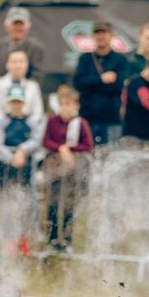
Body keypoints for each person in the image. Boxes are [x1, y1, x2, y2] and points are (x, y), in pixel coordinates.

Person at [0, 84, 43, 250]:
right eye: (13, 102)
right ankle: (7, 240)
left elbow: (36, 140)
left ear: (23, 102)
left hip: (25, 171)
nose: (16, 105)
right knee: (5, 205)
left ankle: (24, 238)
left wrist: (22, 150)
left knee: (27, 204)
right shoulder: (1, 122)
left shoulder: (31, 122)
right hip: (4, 171)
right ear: (9, 103)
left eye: (19, 102)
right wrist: (11, 158)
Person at [41, 85, 93, 250]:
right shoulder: (52, 121)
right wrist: (61, 148)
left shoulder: (81, 123)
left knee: (69, 203)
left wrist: (70, 150)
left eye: (69, 104)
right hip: (54, 167)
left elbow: (87, 145)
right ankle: (52, 239)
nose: (65, 108)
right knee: (53, 202)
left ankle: (67, 239)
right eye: (62, 104)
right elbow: (46, 141)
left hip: (73, 167)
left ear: (76, 106)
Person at [72, 19, 126, 148]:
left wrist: (92, 84)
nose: (101, 36)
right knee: (87, 153)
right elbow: (78, 83)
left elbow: (118, 86)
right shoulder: (84, 59)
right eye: (97, 33)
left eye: (104, 32)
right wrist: (101, 79)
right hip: (88, 116)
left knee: (111, 156)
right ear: (92, 36)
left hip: (110, 117)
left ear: (111, 35)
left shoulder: (120, 60)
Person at [0, 6, 48, 81]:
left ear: (28, 26)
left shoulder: (36, 49)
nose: (18, 28)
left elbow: (38, 75)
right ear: (6, 25)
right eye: (14, 24)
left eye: (21, 24)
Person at [0, 49, 44, 129]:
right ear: (7, 64)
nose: (18, 65)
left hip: (27, 130)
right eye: (14, 62)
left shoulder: (33, 86)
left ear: (27, 65)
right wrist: (10, 127)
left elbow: (37, 113)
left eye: (21, 61)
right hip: (2, 130)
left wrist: (24, 127)